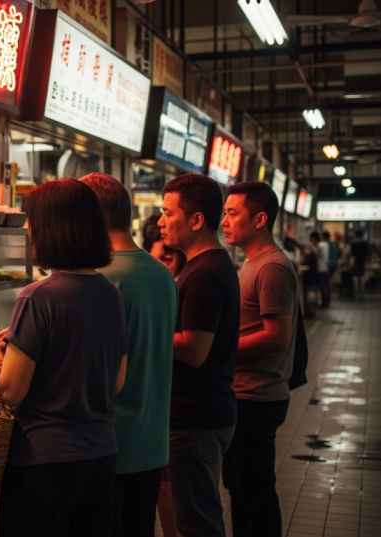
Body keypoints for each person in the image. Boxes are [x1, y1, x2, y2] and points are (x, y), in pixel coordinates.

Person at [0, 179, 127, 537]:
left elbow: (9, 391)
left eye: (32, 221)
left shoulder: (38, 297)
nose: (27, 229)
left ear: (53, 228)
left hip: (45, 466)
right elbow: (116, 381)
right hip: (100, 459)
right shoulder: (110, 294)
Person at [80, 173, 178, 537]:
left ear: (91, 216)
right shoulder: (161, 274)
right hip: (151, 442)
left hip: (112, 444)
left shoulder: (102, 277)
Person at [157, 174, 240, 537]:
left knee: (199, 522)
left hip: (196, 418)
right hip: (204, 412)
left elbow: (194, 349)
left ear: (195, 220)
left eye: (167, 212)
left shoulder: (204, 273)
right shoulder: (205, 265)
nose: (160, 221)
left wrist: (145, 335)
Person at [221, 182, 299, 537]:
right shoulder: (252, 263)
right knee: (243, 488)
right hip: (246, 393)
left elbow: (277, 336)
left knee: (254, 492)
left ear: (260, 219)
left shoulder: (272, 268)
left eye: (233, 213)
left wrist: (222, 349)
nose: (225, 221)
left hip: (257, 396)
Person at [310, 232, 330, 307]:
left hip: (321, 269)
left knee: (322, 287)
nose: (312, 242)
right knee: (325, 286)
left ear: (315, 239)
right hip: (325, 268)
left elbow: (315, 254)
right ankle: (326, 302)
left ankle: (324, 303)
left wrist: (312, 247)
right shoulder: (325, 244)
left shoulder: (320, 245)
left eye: (312, 240)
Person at [350, 230, 370, 295]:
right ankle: (362, 291)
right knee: (362, 276)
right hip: (362, 261)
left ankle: (356, 291)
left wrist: (351, 262)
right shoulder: (365, 243)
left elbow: (352, 254)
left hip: (355, 261)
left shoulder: (353, 243)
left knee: (355, 276)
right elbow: (367, 253)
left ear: (356, 235)